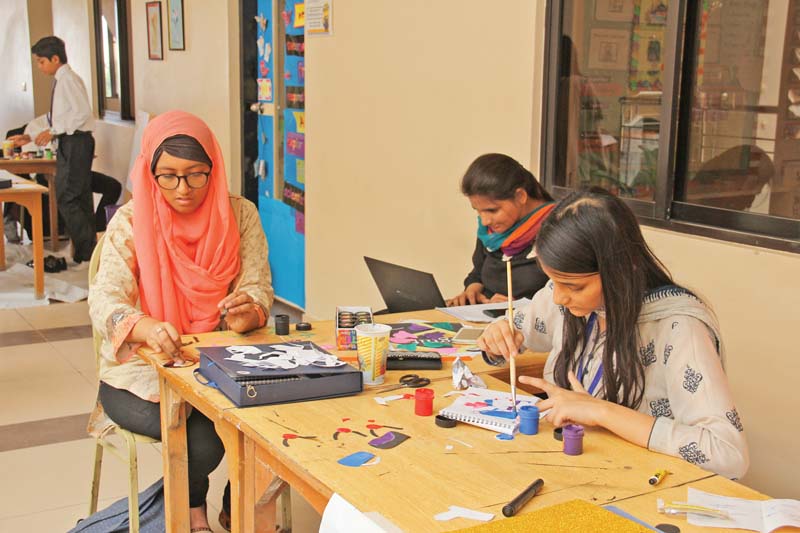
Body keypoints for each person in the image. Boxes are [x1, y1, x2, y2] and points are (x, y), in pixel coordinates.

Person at [478, 187, 749, 479]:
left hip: (642, 488)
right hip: (572, 471)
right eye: (553, 282)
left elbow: (727, 453)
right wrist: (498, 336)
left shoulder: (679, 329)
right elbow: (519, 329)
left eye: (574, 287)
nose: (558, 298)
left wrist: (602, 412)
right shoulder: (567, 300)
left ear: (620, 270)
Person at [88, 110, 274, 531]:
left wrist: (250, 311)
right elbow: (104, 299)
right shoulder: (133, 220)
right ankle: (191, 513)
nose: (183, 189)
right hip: (140, 371)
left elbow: (257, 284)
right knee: (203, 443)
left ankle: (238, 504)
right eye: (168, 175)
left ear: (215, 168)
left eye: (196, 175)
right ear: (149, 170)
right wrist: (145, 326)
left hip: (220, 359)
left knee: (274, 414)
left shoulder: (239, 214)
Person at [8, 36, 96, 265]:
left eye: (41, 62)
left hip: (76, 142)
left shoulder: (68, 80)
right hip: (70, 141)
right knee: (78, 196)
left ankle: (87, 251)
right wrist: (32, 135)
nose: (39, 67)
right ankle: (88, 250)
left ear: (55, 58)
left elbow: (82, 114)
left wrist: (55, 131)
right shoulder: (61, 80)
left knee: (67, 197)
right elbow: (57, 118)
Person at [447, 153, 556, 306]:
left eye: (492, 210)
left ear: (520, 196)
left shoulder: (560, 230)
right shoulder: (490, 232)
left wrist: (518, 308)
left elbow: (569, 295)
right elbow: (478, 272)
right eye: (478, 211)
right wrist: (473, 290)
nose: (484, 220)